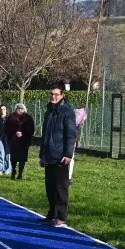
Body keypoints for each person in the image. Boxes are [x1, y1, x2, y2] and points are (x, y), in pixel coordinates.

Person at [38, 88, 77, 226]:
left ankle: (61, 216)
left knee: (60, 188)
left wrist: (68, 154)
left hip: (60, 155)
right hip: (48, 155)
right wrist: (42, 155)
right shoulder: (48, 111)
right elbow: (45, 135)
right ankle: (52, 214)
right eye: (51, 94)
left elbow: (71, 135)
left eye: (56, 94)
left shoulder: (67, 112)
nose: (53, 96)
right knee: (50, 187)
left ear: (62, 95)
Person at [4, 103, 35, 180]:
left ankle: (20, 173)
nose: (20, 110)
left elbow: (31, 129)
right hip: (14, 141)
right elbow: (7, 128)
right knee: (13, 158)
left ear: (24, 110)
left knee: (22, 158)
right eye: (18, 109)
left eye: (21, 109)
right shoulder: (11, 117)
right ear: (15, 109)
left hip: (24, 141)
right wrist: (15, 132)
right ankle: (13, 171)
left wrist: (23, 133)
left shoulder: (28, 118)